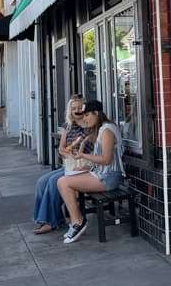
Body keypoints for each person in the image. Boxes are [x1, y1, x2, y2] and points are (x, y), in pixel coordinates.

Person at [57, 100, 124, 244]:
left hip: (109, 177)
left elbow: (106, 159)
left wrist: (83, 156)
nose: (85, 118)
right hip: (101, 173)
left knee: (63, 182)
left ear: (96, 113)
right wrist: (86, 167)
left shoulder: (107, 130)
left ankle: (78, 222)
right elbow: (102, 160)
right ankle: (76, 221)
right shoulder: (101, 129)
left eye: (87, 115)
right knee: (64, 179)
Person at [33, 95, 87, 234]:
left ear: (84, 108)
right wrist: (67, 154)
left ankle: (50, 222)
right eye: (74, 108)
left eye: (79, 107)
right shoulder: (68, 126)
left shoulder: (89, 125)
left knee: (53, 181)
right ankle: (50, 219)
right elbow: (62, 148)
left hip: (82, 166)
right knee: (41, 181)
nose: (77, 110)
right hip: (69, 164)